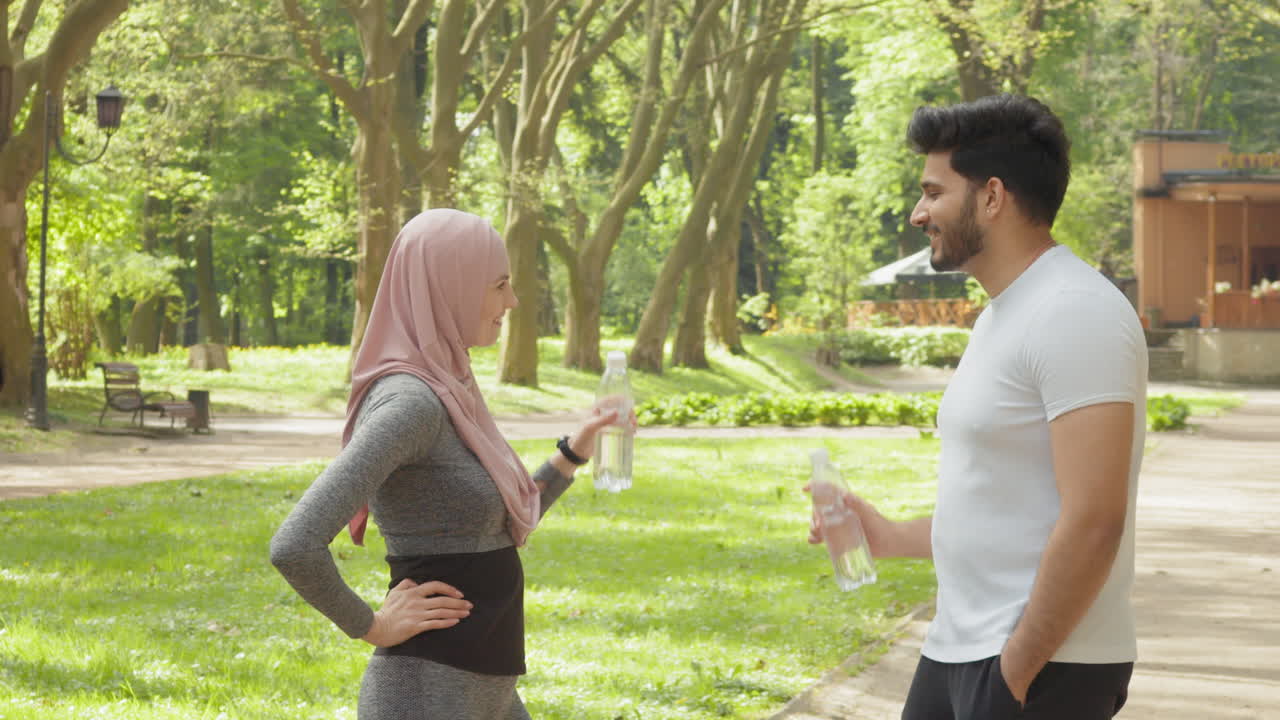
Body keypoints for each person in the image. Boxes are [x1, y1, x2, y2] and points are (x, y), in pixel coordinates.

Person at [810, 94, 1147, 719]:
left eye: (934, 193)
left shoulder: (1076, 311)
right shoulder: (1006, 313)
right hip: (963, 651)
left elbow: (1096, 518)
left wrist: (1015, 670)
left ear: (992, 197)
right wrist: (887, 536)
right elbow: (1006, 511)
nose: (918, 213)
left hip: (1044, 667)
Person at [270, 208, 633, 719]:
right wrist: (371, 624)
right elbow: (294, 545)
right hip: (425, 693)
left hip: (488, 691)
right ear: (450, 285)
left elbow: (494, 525)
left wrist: (575, 451)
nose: (512, 301)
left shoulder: (450, 387)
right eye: (500, 285)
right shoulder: (411, 404)